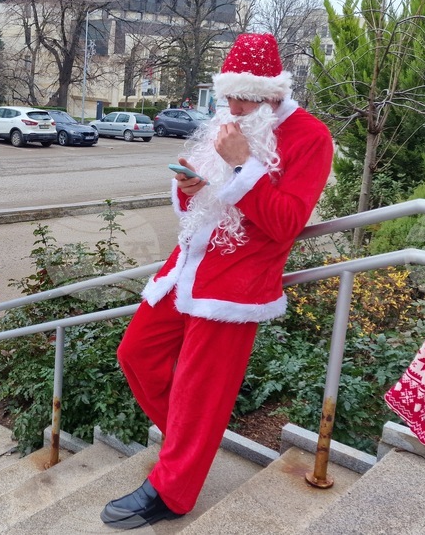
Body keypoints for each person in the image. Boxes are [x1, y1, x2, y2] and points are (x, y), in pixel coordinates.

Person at [100, 33, 334, 529]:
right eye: (228, 96)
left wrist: (238, 163)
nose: (233, 107)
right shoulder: (229, 122)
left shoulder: (311, 136)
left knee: (199, 390)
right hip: (188, 265)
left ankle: (173, 491)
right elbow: (203, 207)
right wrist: (190, 186)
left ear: (273, 92)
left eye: (244, 97)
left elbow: (286, 223)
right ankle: (192, 443)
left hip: (239, 284)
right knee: (136, 353)